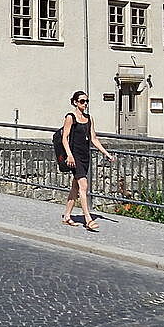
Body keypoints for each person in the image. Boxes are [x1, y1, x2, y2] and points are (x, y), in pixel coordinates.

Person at [60, 90, 115, 231]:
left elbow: (94, 139)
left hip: (85, 156)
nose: (85, 104)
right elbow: (64, 138)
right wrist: (69, 155)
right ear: (75, 102)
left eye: (86, 101)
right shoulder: (70, 117)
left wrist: (107, 154)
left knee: (75, 186)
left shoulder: (89, 118)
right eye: (82, 101)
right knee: (83, 185)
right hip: (74, 157)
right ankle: (88, 219)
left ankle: (67, 216)